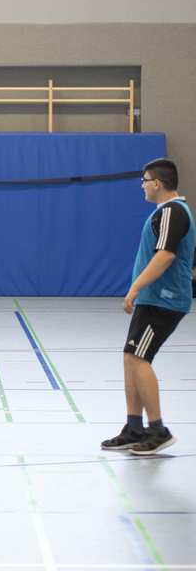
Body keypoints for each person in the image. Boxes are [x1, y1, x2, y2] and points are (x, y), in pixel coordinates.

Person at [102, 159, 192, 455]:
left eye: (144, 180)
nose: (142, 185)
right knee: (131, 357)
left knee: (140, 359)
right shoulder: (164, 213)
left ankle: (158, 430)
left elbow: (165, 255)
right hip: (152, 299)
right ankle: (134, 427)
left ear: (158, 183)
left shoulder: (173, 212)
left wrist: (136, 287)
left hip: (163, 300)